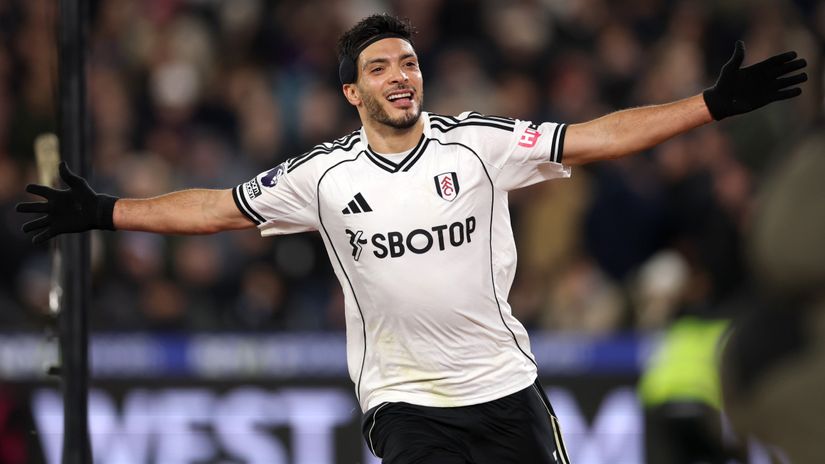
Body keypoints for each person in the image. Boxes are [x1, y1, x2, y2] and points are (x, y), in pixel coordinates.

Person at [16, 13, 807, 464]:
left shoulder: (479, 143)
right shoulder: (321, 176)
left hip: (506, 390)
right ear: (350, 91)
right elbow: (219, 209)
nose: (401, 75)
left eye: (409, 61)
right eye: (380, 66)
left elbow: (596, 137)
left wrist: (707, 105)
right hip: (406, 405)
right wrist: (106, 212)